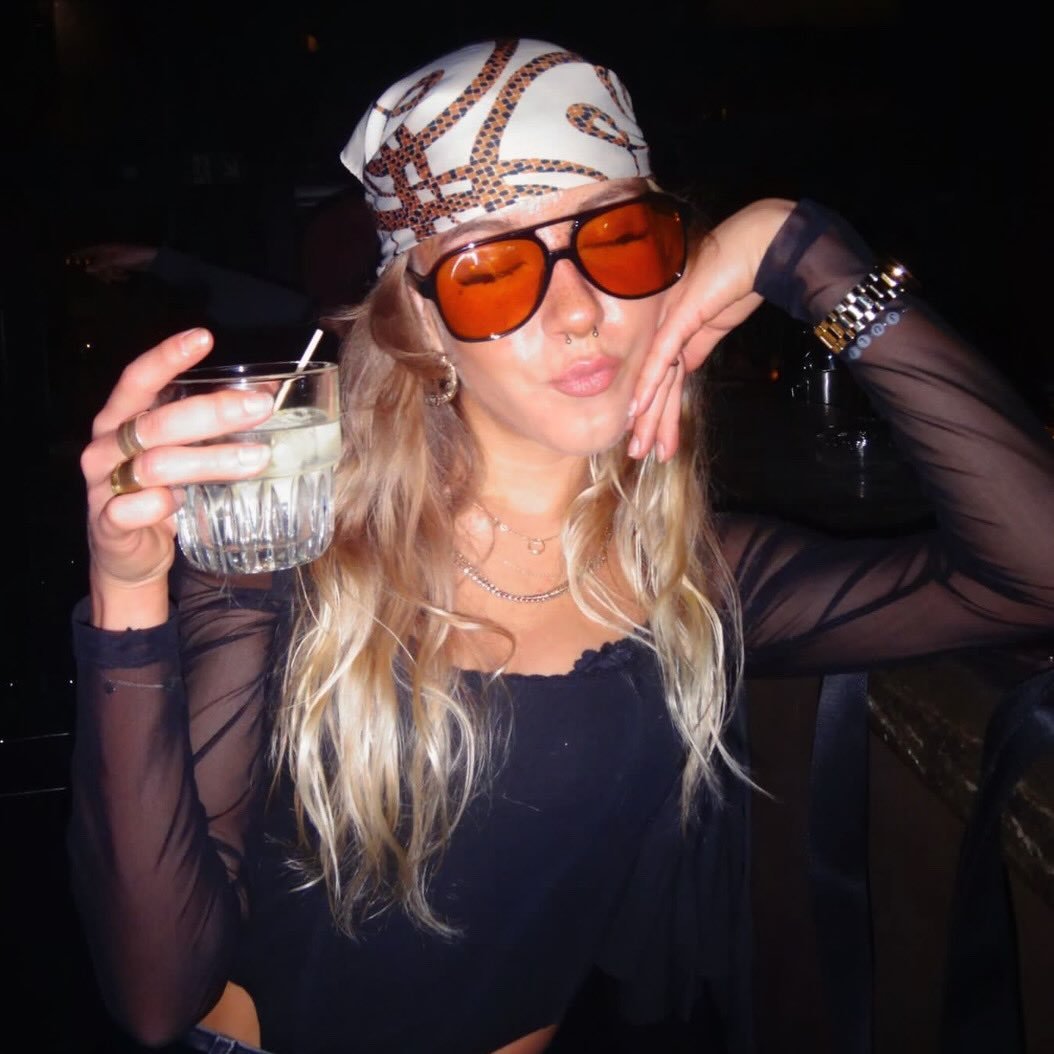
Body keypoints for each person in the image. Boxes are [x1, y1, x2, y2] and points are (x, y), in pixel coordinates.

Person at [68, 38, 1053, 1054]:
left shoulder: (690, 576)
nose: (579, 311)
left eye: (618, 240)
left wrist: (803, 252)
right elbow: (158, 995)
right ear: (425, 327)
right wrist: (127, 585)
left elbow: (1033, 573)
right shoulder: (290, 547)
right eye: (493, 271)